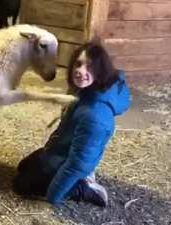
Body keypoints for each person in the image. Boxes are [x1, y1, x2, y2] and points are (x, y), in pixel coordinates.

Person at [12, 40, 131, 207]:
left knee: (20, 186)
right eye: (79, 64)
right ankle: (80, 176)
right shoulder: (82, 90)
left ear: (100, 70)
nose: (81, 71)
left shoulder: (95, 116)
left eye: (89, 67)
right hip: (60, 151)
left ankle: (85, 188)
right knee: (23, 167)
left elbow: (78, 162)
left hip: (71, 160)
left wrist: (54, 195)